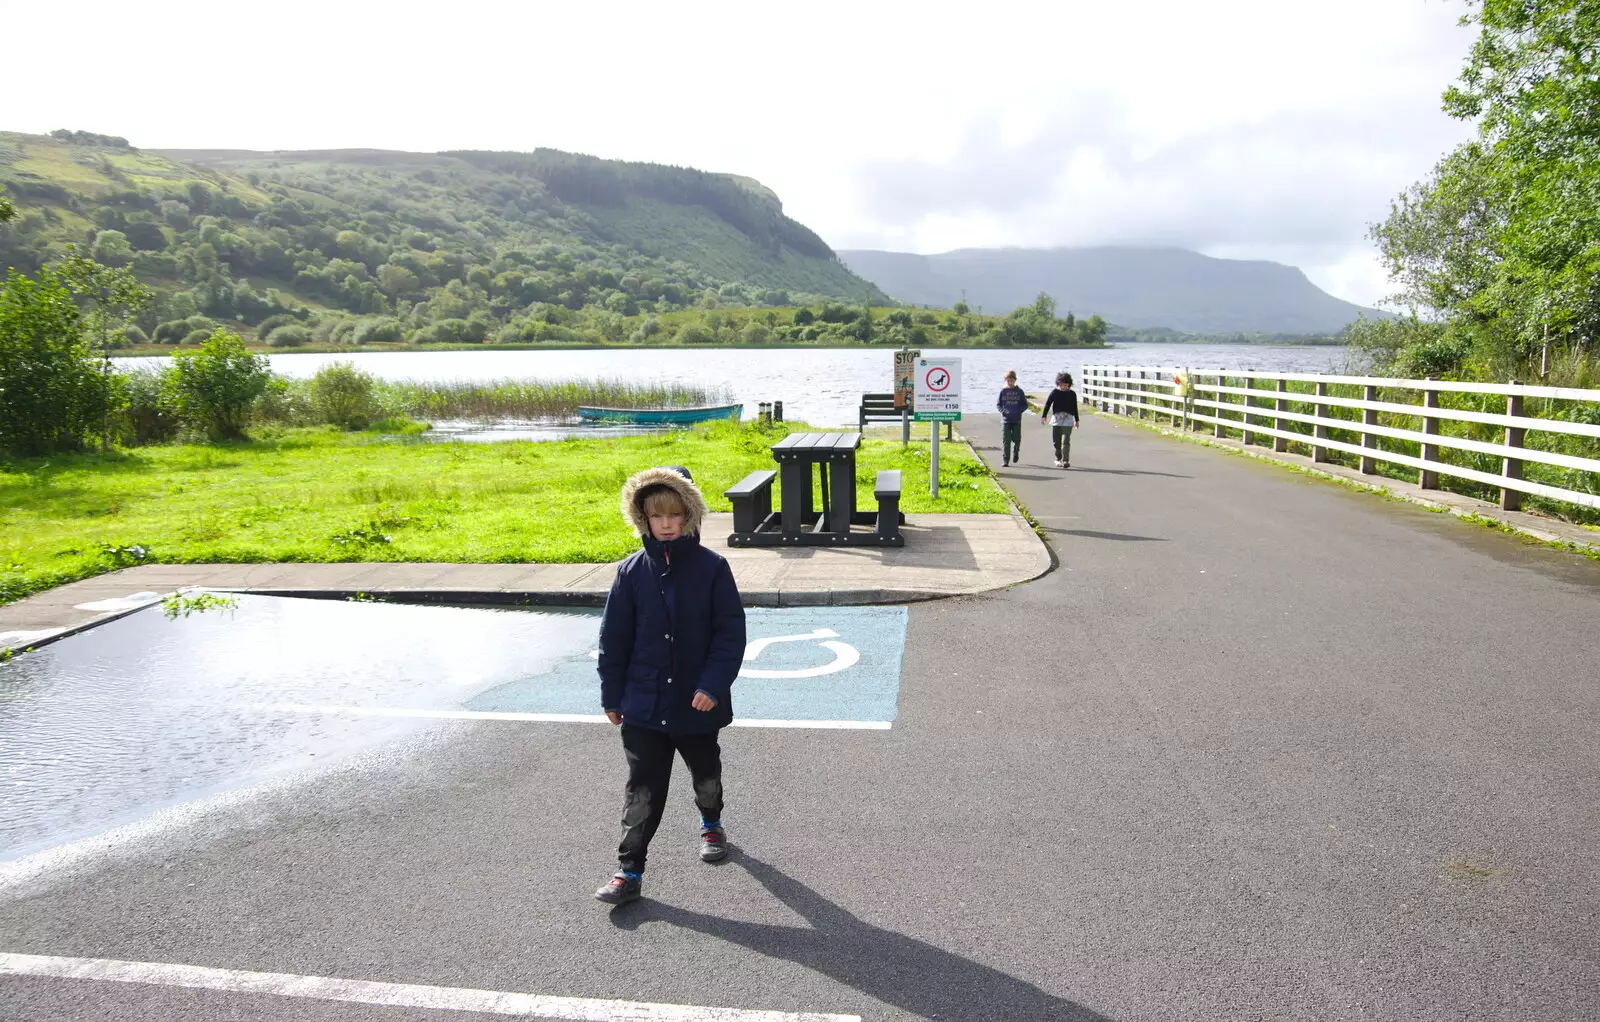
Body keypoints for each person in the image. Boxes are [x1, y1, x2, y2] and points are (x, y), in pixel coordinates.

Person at [594, 465, 747, 906]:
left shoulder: (712, 569)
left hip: (696, 705)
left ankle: (711, 821)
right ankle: (629, 871)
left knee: (705, 775)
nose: (665, 524)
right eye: (656, 515)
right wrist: (611, 694)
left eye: (674, 515)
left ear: (689, 517)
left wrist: (712, 685)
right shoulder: (629, 573)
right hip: (642, 704)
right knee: (641, 788)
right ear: (642, 517)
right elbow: (613, 640)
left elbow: (729, 633)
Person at [1040, 372, 1080, 468]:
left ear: (1069, 385)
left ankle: (1066, 460)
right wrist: (1044, 415)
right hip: (1056, 419)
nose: (1063, 387)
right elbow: (1048, 404)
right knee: (1056, 441)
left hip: (1068, 419)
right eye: (1061, 385)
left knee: (1066, 440)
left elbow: (1075, 407)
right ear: (1058, 384)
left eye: (1066, 385)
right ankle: (1058, 458)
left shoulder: (1072, 394)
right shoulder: (1055, 392)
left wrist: (1076, 420)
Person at [996, 370, 1028, 467]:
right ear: (1006, 380)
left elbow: (1025, 405)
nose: (1010, 382)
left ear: (1015, 380)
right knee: (1006, 440)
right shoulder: (1003, 391)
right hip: (1006, 420)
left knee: (1016, 438)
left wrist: (1019, 410)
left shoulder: (1019, 391)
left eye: (1012, 380)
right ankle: (1006, 460)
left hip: (1016, 419)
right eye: (1008, 380)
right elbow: (998, 405)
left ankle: (1016, 452)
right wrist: (1003, 411)